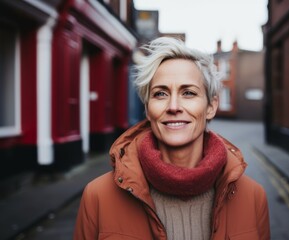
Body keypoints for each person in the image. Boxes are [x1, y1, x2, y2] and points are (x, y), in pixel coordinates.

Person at [74, 37, 270, 240]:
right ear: (148, 110)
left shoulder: (253, 197)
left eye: (188, 93)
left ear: (211, 107)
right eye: (160, 94)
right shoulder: (98, 196)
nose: (173, 106)